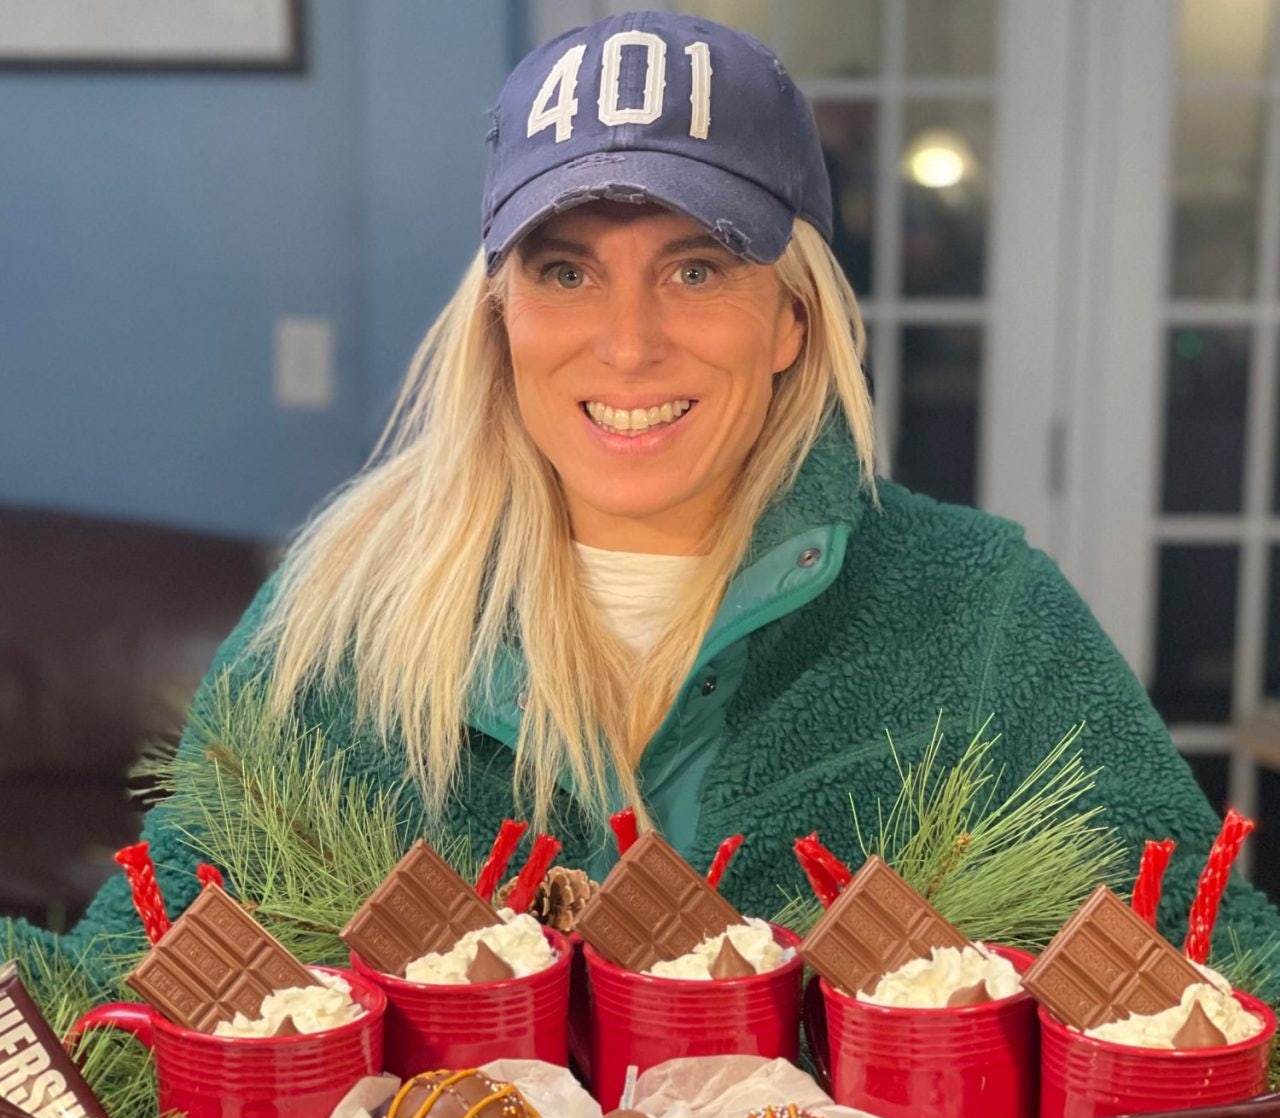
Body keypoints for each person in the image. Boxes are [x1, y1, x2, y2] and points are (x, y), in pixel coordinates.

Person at [8, 9, 1279, 987]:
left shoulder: (983, 611)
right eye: (565, 269)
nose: (625, 345)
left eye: (694, 268)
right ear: (498, 316)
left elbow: (1219, 974)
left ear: (790, 318)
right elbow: (133, 985)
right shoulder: (335, 621)